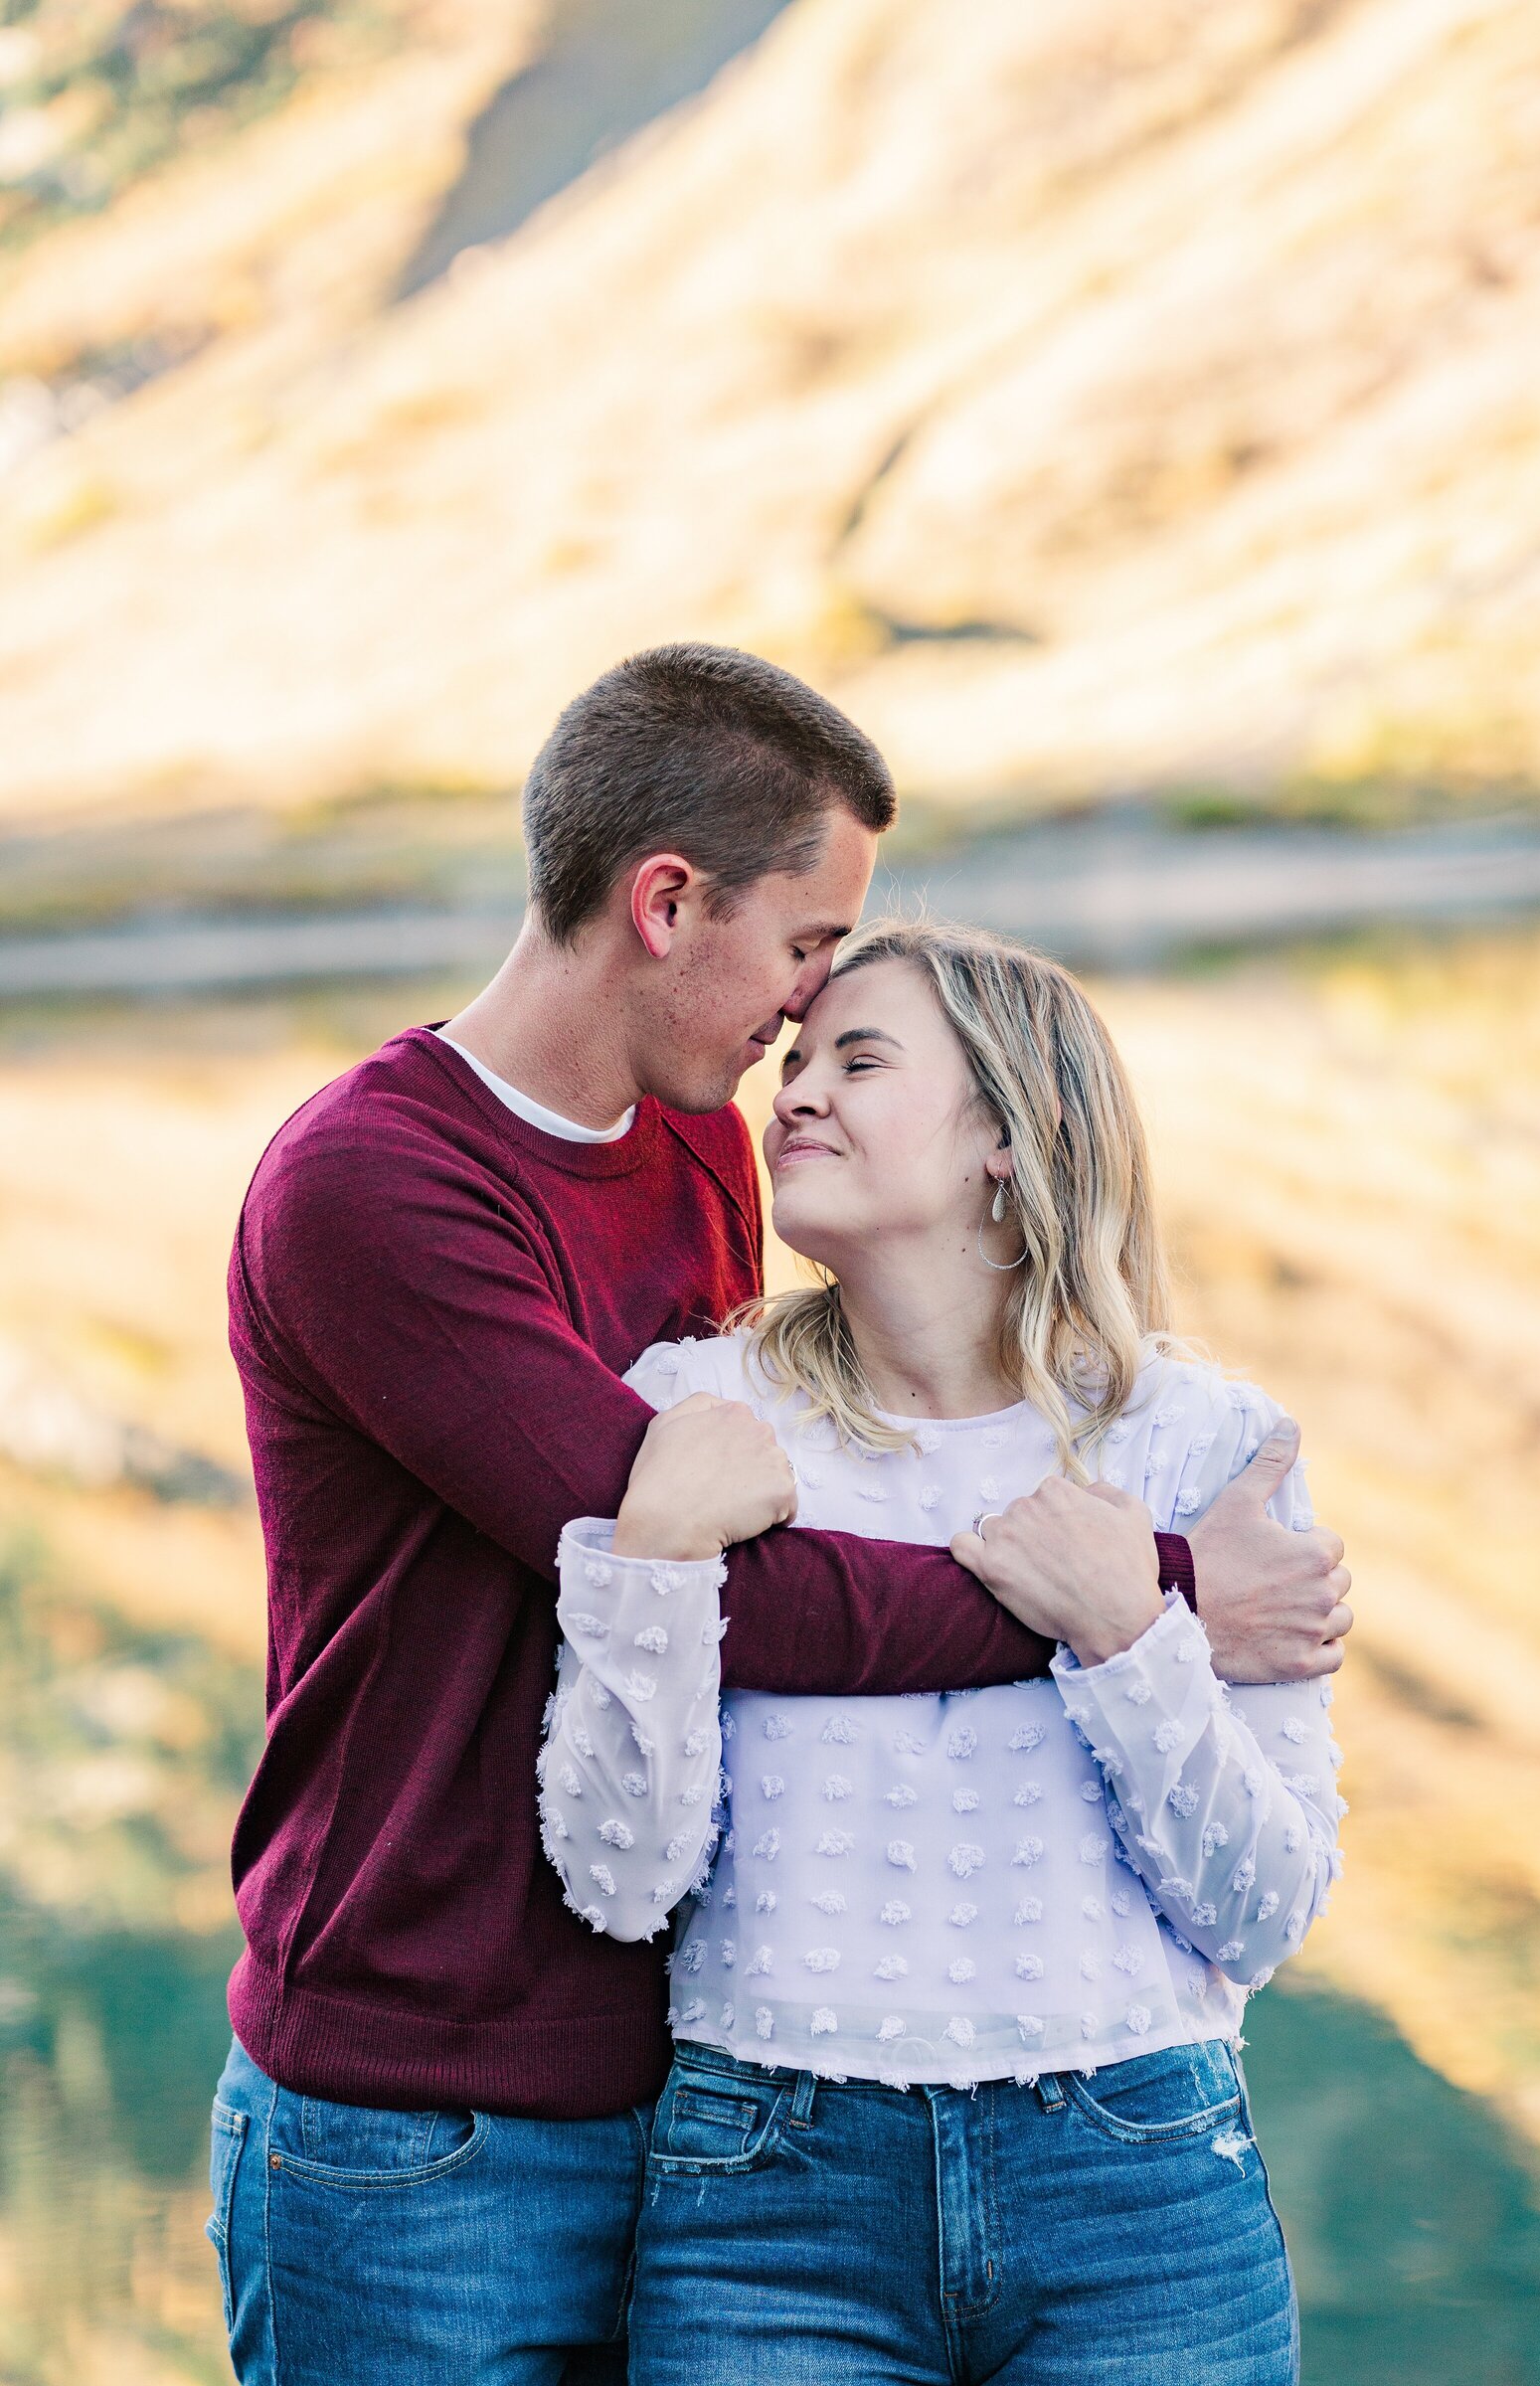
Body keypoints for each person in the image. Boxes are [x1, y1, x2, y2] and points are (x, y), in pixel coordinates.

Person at [209, 644, 1350, 2383]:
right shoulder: (373, 1189)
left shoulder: (697, 1159)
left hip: (687, 2093)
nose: (796, 1035)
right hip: (424, 2106)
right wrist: (1160, 1591)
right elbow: (739, 1599)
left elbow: (774, 1535)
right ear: (669, 903)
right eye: (807, 949)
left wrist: (1146, 1589)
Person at [542, 917, 1346, 2384]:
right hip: (765, 2201)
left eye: (858, 1058)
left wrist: (1125, 1631)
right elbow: (618, 1879)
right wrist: (652, 1566)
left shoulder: (1204, 1447)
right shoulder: (697, 1413)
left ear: (1008, 1131)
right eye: (794, 1060)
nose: (791, 1093)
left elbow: (1265, 1913)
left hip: (1140, 2188)